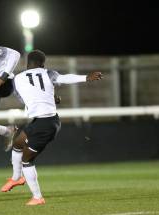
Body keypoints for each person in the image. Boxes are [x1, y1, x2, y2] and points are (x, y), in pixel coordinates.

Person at [6, 50, 103, 205]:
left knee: (26, 159)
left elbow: (24, 97)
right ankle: (16, 178)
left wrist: (49, 98)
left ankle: (37, 197)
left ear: (27, 63)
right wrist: (86, 77)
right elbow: (64, 78)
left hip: (43, 124)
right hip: (46, 121)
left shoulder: (17, 79)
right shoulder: (48, 73)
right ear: (43, 63)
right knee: (18, 143)